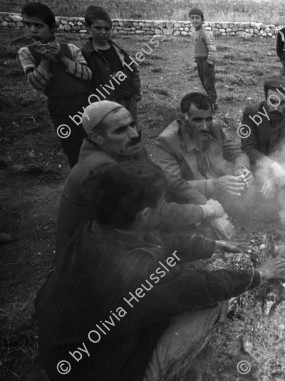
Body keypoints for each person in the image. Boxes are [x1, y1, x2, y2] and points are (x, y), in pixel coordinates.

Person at [36, 160, 285, 381]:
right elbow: (205, 286)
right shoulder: (138, 277)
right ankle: (165, 380)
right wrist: (260, 274)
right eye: (161, 204)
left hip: (67, 355)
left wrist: (211, 246)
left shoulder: (94, 230)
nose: (165, 208)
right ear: (145, 214)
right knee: (214, 306)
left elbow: (158, 240)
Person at [55, 101, 228, 262]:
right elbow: (150, 214)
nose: (133, 134)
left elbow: (166, 180)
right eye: (120, 130)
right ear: (97, 138)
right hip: (91, 255)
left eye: (132, 124)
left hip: (123, 228)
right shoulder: (100, 168)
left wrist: (207, 205)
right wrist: (205, 211)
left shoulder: (128, 148)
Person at [17, 2, 92, 167]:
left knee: (93, 143)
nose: (32, 30)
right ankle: (80, 183)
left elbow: (87, 75)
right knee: (72, 148)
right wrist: (44, 59)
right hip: (59, 109)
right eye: (28, 25)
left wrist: (62, 58)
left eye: (38, 25)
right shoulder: (26, 53)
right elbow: (37, 83)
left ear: (52, 28)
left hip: (85, 103)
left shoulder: (70, 48)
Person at [155, 92, 253, 211]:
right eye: (197, 120)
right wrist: (216, 185)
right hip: (189, 203)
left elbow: (238, 154)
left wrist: (241, 169)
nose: (205, 127)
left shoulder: (215, 128)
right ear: (182, 118)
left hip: (222, 197)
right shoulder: (167, 141)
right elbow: (174, 186)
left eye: (208, 119)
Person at [240, 76, 285, 198]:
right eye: (273, 101)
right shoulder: (251, 113)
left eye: (282, 103)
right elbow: (247, 147)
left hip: (284, 170)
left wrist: (274, 179)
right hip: (256, 166)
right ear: (265, 98)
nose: (276, 107)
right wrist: (272, 165)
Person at [81, 6, 141, 126]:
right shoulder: (86, 54)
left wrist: (136, 92)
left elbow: (133, 69)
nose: (103, 32)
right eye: (98, 28)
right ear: (88, 27)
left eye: (107, 28)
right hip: (107, 101)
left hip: (128, 96)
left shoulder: (118, 50)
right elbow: (86, 82)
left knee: (132, 125)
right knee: (115, 128)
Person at [190, 8, 218, 111]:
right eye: (192, 18)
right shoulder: (193, 33)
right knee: (203, 82)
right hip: (199, 61)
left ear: (202, 20)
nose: (195, 20)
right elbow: (195, 48)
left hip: (207, 61)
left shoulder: (206, 33)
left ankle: (213, 104)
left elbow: (212, 48)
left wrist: (209, 63)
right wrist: (195, 61)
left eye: (197, 18)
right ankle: (210, 101)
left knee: (209, 83)